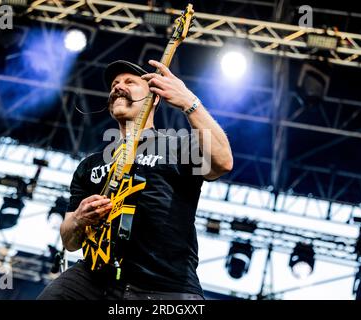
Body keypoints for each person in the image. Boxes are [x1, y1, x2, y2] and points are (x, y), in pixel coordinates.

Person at [37, 59, 233, 300]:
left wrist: (189, 103)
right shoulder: (89, 166)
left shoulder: (177, 145)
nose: (118, 87)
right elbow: (69, 241)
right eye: (114, 84)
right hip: (95, 279)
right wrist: (78, 219)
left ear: (155, 97)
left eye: (130, 82)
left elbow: (223, 162)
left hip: (165, 286)